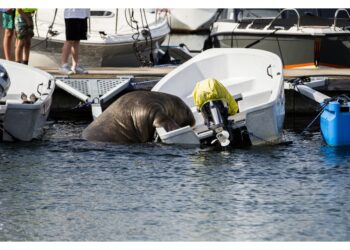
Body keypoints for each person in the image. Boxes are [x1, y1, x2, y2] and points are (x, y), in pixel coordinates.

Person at [59, 8, 90, 74]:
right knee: (70, 40)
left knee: (77, 41)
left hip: (83, 14)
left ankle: (75, 66)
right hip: (72, 14)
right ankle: (63, 65)